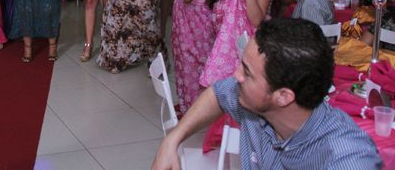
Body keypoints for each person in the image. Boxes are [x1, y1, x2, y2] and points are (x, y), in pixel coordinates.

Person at [152, 18, 381, 170]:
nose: (236, 75)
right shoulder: (254, 105)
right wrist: (172, 139)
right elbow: (217, 95)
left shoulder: (346, 158)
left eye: (247, 73)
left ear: (283, 96)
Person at [171, 0, 228, 113]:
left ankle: (192, 107)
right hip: (194, 21)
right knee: (192, 61)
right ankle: (190, 102)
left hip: (192, 23)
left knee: (190, 62)